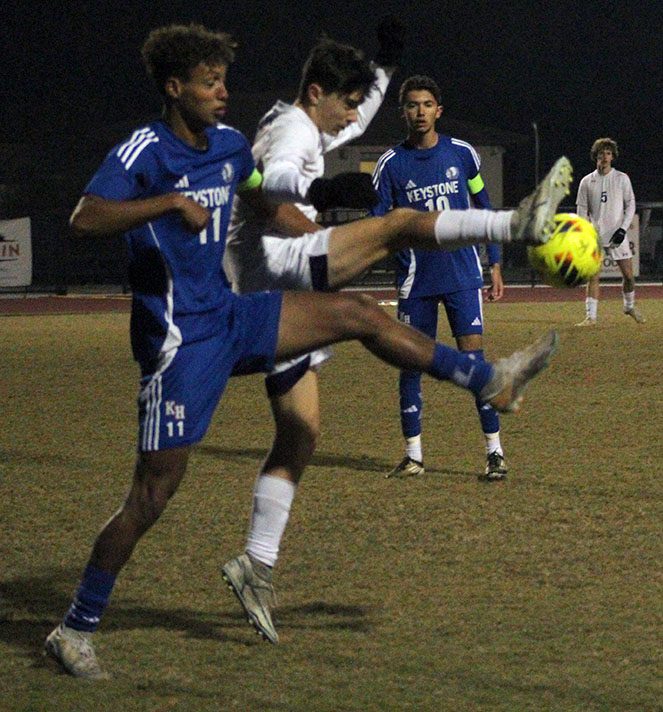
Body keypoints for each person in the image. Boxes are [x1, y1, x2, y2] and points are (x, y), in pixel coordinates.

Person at [43, 23, 566, 678]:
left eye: (224, 80)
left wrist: (323, 208)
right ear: (174, 88)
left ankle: (490, 380)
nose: (223, 93)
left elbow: (264, 201)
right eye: (209, 83)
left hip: (233, 314)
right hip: (179, 343)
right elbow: (85, 217)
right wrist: (167, 203)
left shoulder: (230, 146)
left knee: (357, 314)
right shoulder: (144, 150)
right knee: (151, 495)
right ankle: (75, 628)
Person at [221, 37, 572, 644]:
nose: (355, 118)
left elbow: (352, 116)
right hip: (262, 284)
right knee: (392, 245)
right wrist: (320, 200)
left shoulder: (317, 120)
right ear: (317, 95)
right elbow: (273, 186)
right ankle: (516, 229)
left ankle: (256, 563)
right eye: (349, 103)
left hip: (276, 290)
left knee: (300, 432)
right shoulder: (293, 134)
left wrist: (382, 66)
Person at [371, 75, 507, 481]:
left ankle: (495, 453)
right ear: (403, 112)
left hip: (463, 275)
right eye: (413, 105)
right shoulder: (390, 165)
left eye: (427, 104)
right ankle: (413, 456)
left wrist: (494, 261)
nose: (420, 112)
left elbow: (484, 205)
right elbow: (377, 225)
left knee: (474, 363)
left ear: (439, 110)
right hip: (416, 281)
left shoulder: (462, 155)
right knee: (411, 365)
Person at [575, 137, 644, 326]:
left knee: (629, 277)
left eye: (608, 153)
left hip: (617, 235)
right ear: (595, 156)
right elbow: (581, 211)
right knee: (593, 276)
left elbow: (630, 205)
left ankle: (629, 306)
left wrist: (622, 229)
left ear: (613, 157)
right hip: (595, 236)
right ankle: (591, 317)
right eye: (601, 153)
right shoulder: (586, 182)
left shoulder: (622, 178)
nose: (604, 157)